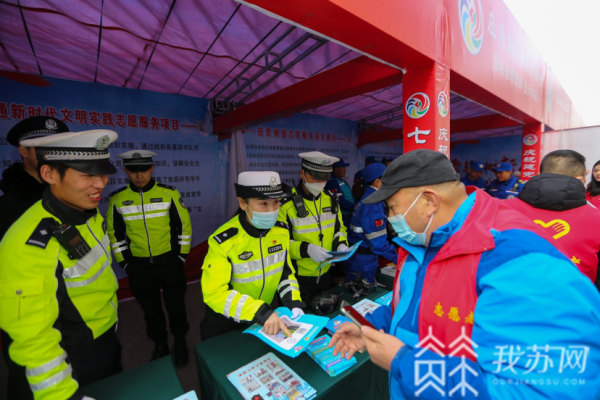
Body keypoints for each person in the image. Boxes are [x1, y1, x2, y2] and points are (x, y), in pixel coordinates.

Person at [329, 149, 600, 399]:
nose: (390, 217)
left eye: (392, 206)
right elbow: (414, 306)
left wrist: (405, 364)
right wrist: (372, 326)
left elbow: (545, 391)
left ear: (428, 202)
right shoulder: (424, 239)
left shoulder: (516, 260)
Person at [0, 129, 123, 400]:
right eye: (87, 175)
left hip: (106, 339)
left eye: (103, 173)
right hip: (73, 359)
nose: (101, 184)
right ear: (49, 174)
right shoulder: (27, 246)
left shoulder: (87, 211)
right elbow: (33, 340)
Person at [106, 150, 192, 367]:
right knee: (151, 311)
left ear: (152, 168)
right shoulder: (118, 199)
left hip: (169, 263)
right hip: (139, 267)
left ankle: (180, 342)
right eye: (133, 170)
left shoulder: (169, 194)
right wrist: (125, 262)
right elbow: (115, 234)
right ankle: (160, 344)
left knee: (176, 307)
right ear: (125, 171)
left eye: (144, 169)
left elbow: (183, 226)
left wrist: (181, 256)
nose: (139, 175)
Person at [200, 172, 305, 340]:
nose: (272, 210)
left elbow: (285, 273)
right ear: (243, 203)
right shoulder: (224, 241)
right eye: (263, 203)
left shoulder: (281, 231)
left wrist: (294, 302)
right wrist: (258, 311)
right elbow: (214, 293)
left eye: (276, 202)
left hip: (265, 318)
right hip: (226, 321)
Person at [506, 150, 600, 285]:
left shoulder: (500, 209)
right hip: (574, 295)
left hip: (507, 293)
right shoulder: (596, 218)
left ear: (541, 174)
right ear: (580, 179)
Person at [278, 151, 349, 299]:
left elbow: (339, 229)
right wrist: (306, 249)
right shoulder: (285, 205)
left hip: (326, 273)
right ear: (302, 173)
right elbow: (278, 243)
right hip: (297, 277)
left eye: (323, 179)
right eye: (315, 178)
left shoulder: (331, 199)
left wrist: (341, 244)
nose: (319, 183)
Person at [0, 116, 69, 240]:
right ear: (24, 151)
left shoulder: (69, 188)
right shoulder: (5, 194)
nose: (53, 153)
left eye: (57, 147)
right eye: (45, 147)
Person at [345, 163, 397, 283]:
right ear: (377, 182)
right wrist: (398, 258)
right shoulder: (372, 204)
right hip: (364, 261)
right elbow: (378, 243)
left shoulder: (369, 199)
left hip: (359, 257)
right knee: (363, 292)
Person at [325, 158, 355, 228]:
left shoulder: (340, 181)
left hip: (347, 217)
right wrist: (355, 207)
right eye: (343, 168)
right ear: (336, 170)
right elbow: (339, 200)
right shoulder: (332, 183)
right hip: (341, 218)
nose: (345, 170)